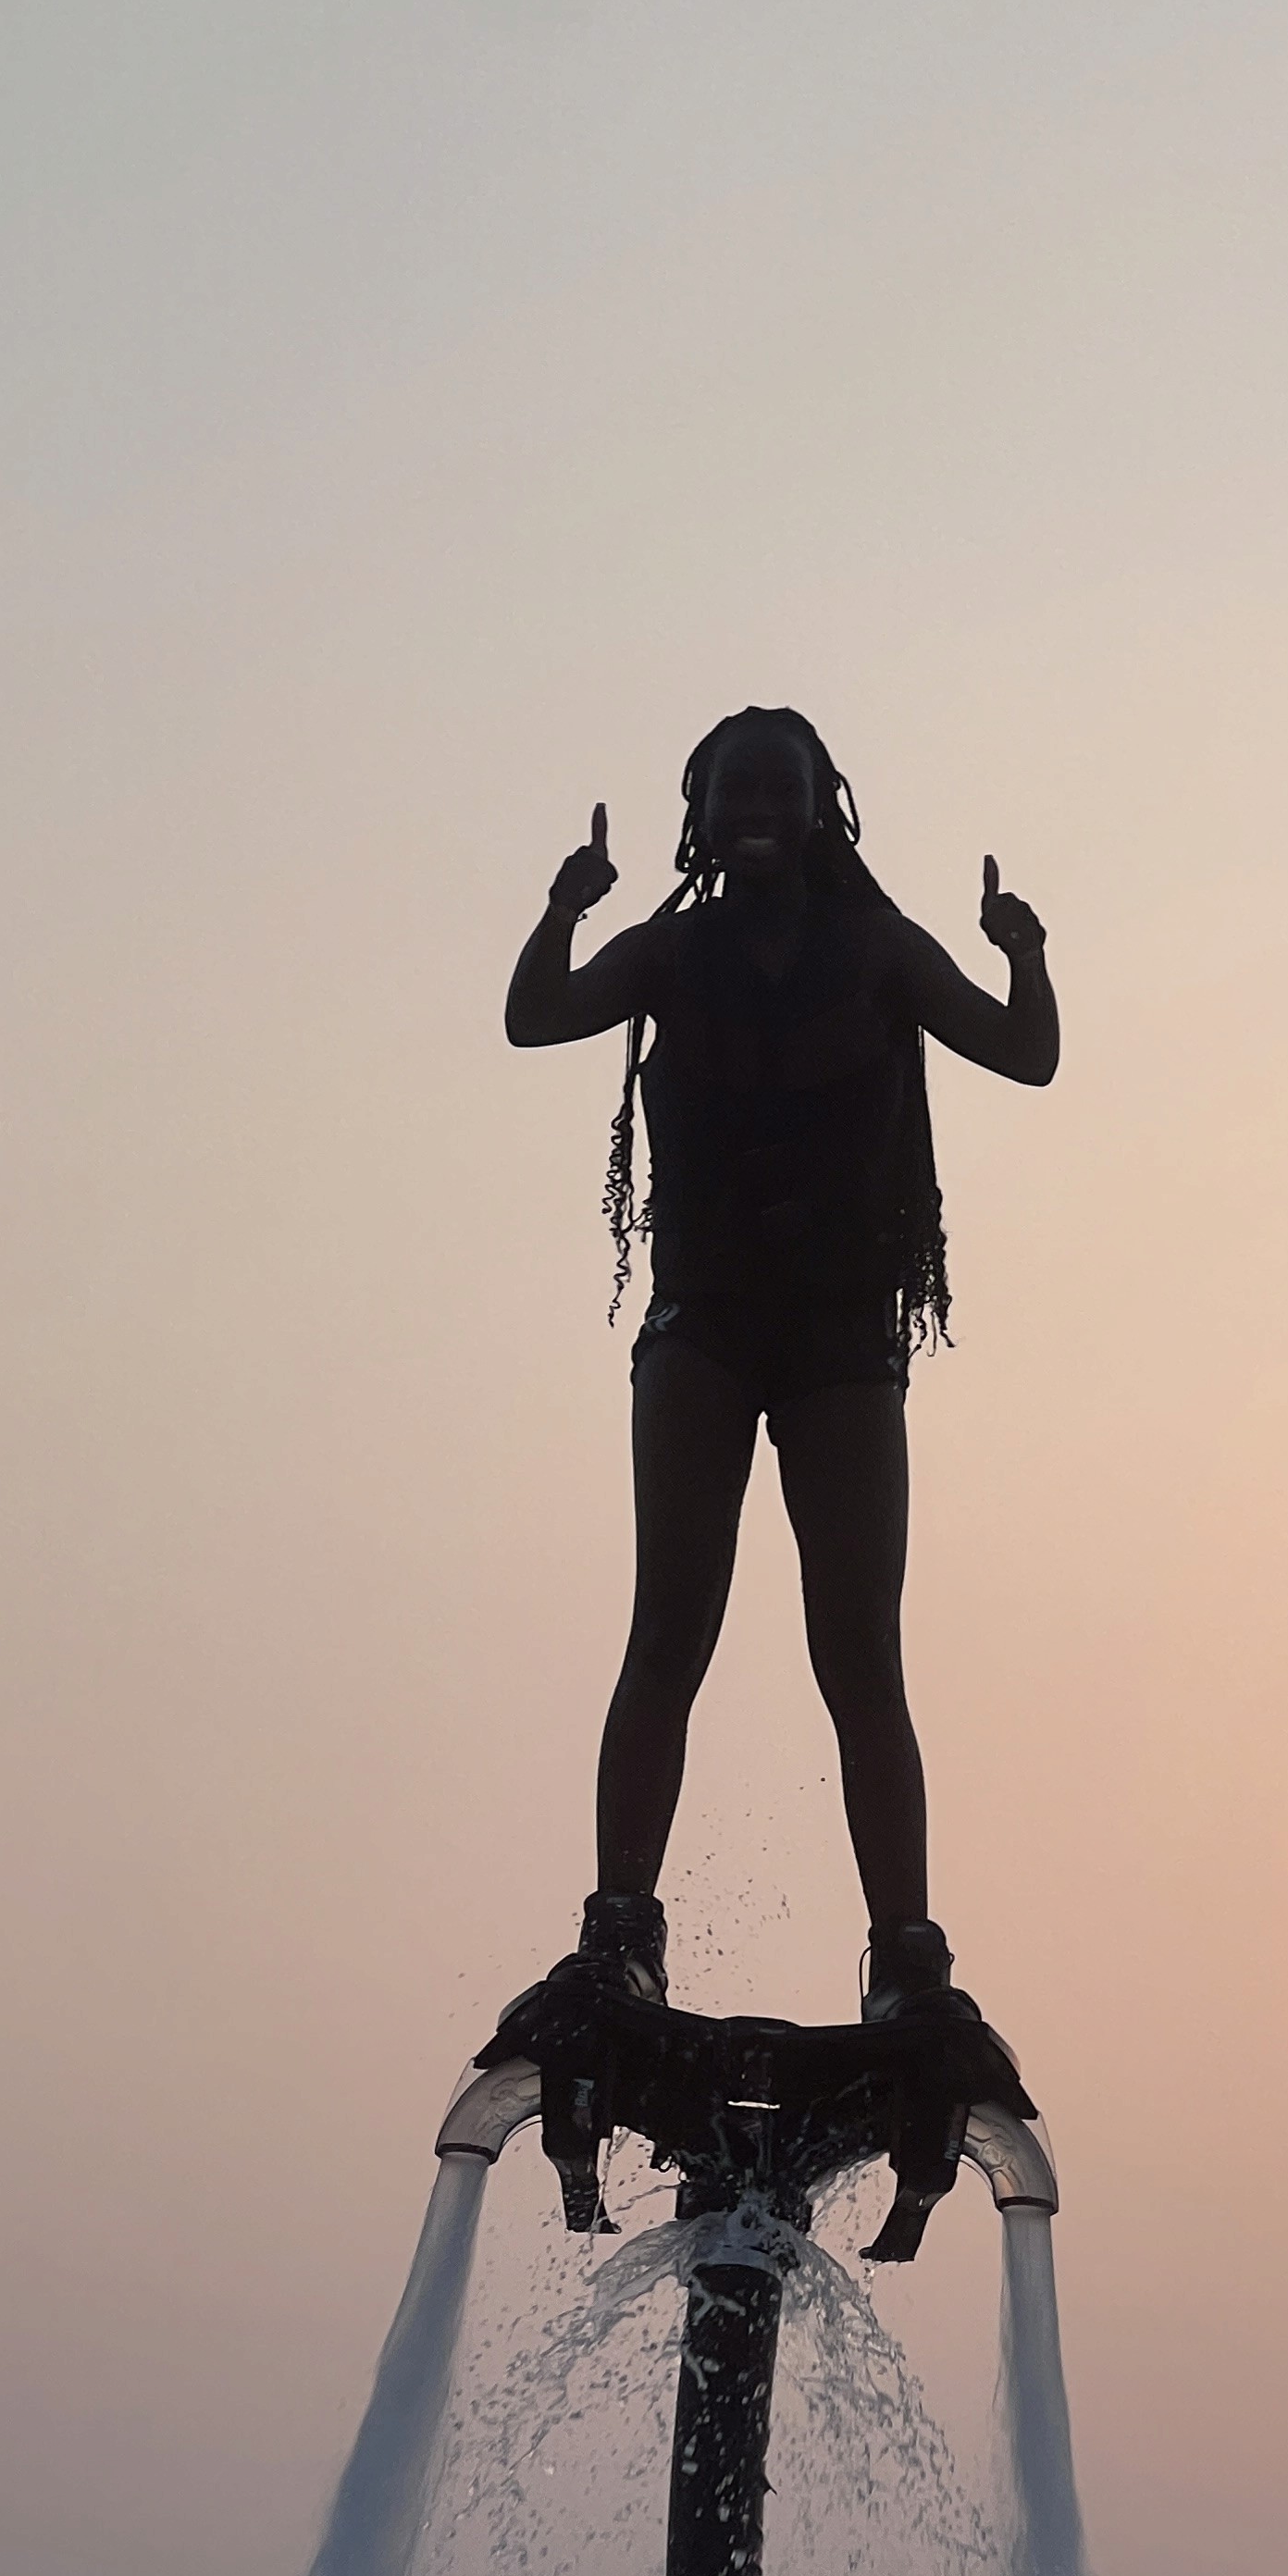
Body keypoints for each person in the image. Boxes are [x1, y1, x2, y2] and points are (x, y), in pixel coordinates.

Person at [505, 706, 1057, 2026]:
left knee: (859, 1650)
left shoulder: (878, 948)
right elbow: (535, 1018)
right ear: (700, 817)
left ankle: (906, 1956)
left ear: (822, 810)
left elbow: (1024, 1054)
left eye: (780, 788)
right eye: (734, 790)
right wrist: (565, 906)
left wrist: (1027, 954)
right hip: (703, 1327)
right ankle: (620, 1931)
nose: (756, 806)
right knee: (668, 1636)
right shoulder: (669, 949)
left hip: (839, 1342)